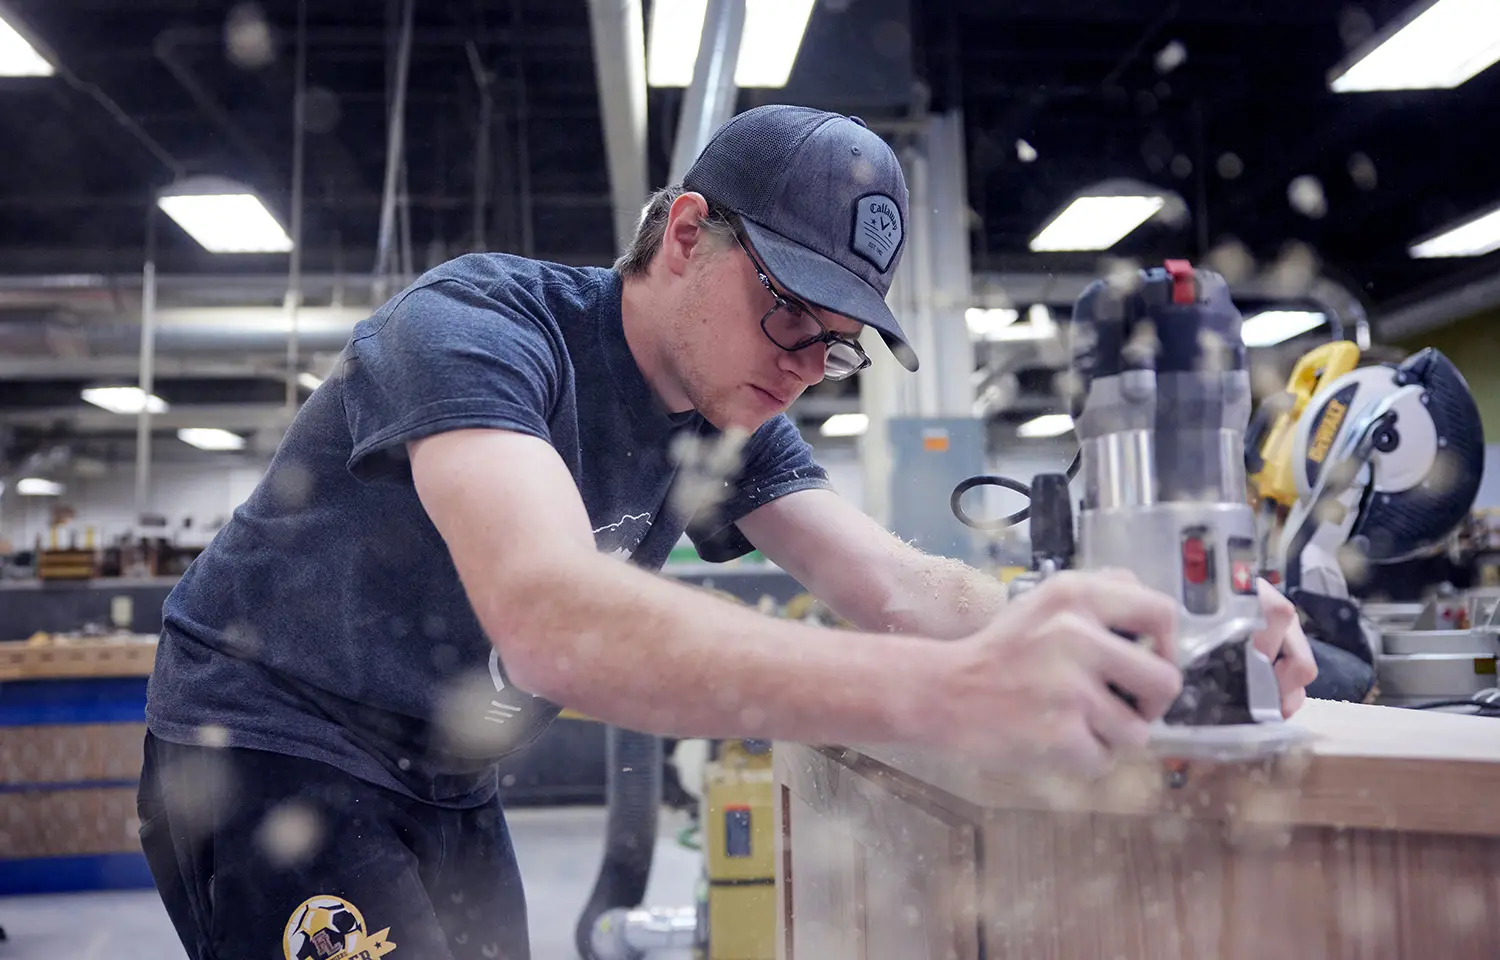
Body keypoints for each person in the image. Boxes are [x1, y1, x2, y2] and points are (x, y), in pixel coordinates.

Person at [136, 104, 1318, 960]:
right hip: (270, 750)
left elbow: (893, 583)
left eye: (837, 345)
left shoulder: (727, 411)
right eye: (789, 314)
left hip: (447, 778)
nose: (806, 369)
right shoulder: (477, 327)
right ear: (687, 232)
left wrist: (1165, 637)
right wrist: (956, 693)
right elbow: (553, 620)